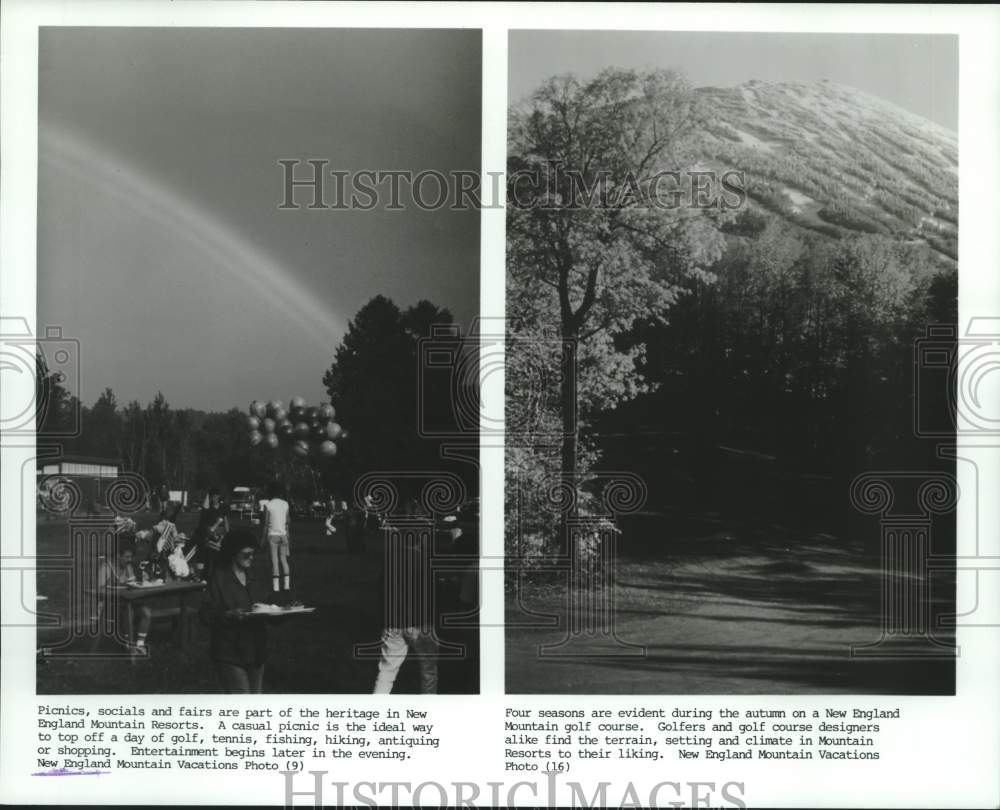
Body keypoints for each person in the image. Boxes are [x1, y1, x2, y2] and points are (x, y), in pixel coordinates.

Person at [372, 500, 439, 694]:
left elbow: (381, 592)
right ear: (421, 540)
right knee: (428, 670)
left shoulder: (391, 560)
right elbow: (430, 597)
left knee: (386, 671)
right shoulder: (423, 562)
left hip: (393, 622)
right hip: (420, 624)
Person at [199, 528, 267, 693]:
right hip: (230, 653)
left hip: (256, 651)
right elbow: (205, 614)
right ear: (232, 553)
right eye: (246, 554)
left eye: (253, 554)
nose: (251, 558)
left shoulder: (253, 576)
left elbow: (266, 606)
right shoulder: (219, 579)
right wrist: (228, 615)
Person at [96, 539, 152, 654]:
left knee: (146, 612)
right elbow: (99, 590)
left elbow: (131, 583)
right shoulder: (106, 567)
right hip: (110, 605)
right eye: (127, 557)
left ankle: (140, 644)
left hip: (127, 601)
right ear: (117, 555)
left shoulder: (127, 567)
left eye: (130, 557)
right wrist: (119, 587)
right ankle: (129, 645)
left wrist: (142, 580)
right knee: (128, 612)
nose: (129, 560)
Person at [260, 482, 292, 601]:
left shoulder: (268, 505)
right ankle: (287, 585)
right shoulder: (285, 504)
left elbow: (265, 524)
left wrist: (262, 539)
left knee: (275, 560)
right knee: (284, 560)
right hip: (283, 535)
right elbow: (288, 521)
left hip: (272, 535)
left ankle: (276, 587)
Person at [192, 489, 229, 578]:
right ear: (211, 498)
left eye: (217, 496)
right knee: (205, 551)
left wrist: (227, 534)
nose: (215, 498)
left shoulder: (223, 508)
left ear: (219, 497)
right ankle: (202, 573)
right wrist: (209, 533)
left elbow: (226, 522)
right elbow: (204, 524)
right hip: (209, 534)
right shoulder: (208, 509)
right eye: (213, 496)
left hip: (219, 534)